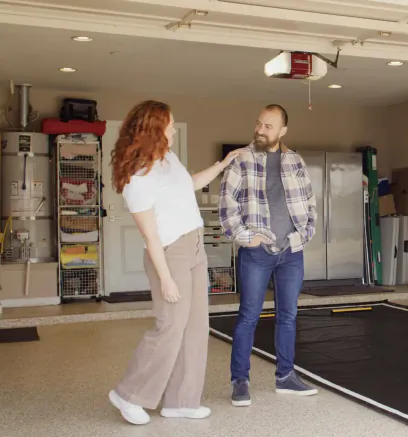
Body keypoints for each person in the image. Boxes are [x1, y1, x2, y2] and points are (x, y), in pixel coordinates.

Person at [107, 100, 245, 425]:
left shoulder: (168, 158)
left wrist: (223, 163)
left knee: (196, 328)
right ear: (154, 128)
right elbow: (150, 236)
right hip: (169, 253)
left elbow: (191, 184)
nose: (172, 127)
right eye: (169, 124)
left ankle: (181, 401)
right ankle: (128, 394)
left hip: (194, 246)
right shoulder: (137, 177)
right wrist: (166, 278)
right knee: (170, 326)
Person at [219, 104, 318, 407]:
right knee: (248, 316)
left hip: (291, 252)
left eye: (268, 126)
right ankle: (240, 381)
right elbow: (227, 210)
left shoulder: (295, 161)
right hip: (256, 253)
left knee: (288, 317)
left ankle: (285, 377)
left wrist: (301, 237)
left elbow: (310, 207)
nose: (261, 130)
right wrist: (249, 238)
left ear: (282, 131)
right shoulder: (241, 161)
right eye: (259, 123)